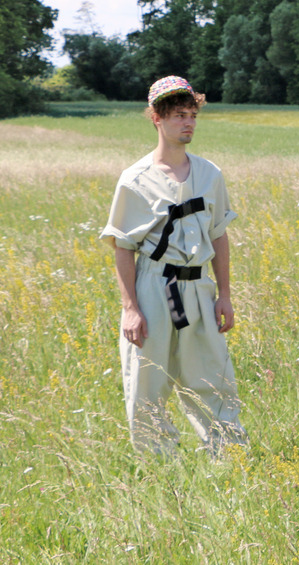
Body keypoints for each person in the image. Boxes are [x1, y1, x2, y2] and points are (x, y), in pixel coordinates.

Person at [100, 76, 247, 455]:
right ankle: (158, 460)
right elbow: (122, 247)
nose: (189, 123)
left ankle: (228, 456)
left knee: (213, 375)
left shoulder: (209, 174)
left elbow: (218, 235)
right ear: (156, 118)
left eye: (193, 115)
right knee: (147, 379)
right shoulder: (135, 180)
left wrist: (225, 295)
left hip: (199, 287)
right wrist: (131, 308)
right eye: (180, 115)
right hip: (154, 285)